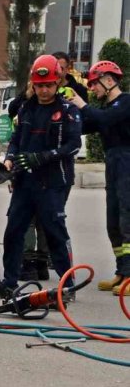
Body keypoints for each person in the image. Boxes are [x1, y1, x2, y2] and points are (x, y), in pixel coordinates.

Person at [0, 55, 82, 299]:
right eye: (40, 86)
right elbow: (17, 140)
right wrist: (9, 159)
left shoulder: (68, 110)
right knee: (14, 231)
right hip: (25, 182)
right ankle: (9, 281)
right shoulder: (27, 108)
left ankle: (67, 284)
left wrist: (43, 156)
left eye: (49, 85)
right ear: (33, 85)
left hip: (54, 182)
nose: (44, 90)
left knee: (55, 232)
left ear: (57, 83)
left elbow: (73, 145)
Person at [69, 60, 130, 295]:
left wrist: (82, 104)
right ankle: (122, 272)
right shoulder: (106, 110)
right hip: (113, 162)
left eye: (94, 83)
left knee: (127, 218)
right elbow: (87, 124)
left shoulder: (125, 102)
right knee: (113, 219)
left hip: (127, 160)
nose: (92, 88)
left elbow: (103, 120)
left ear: (108, 80)